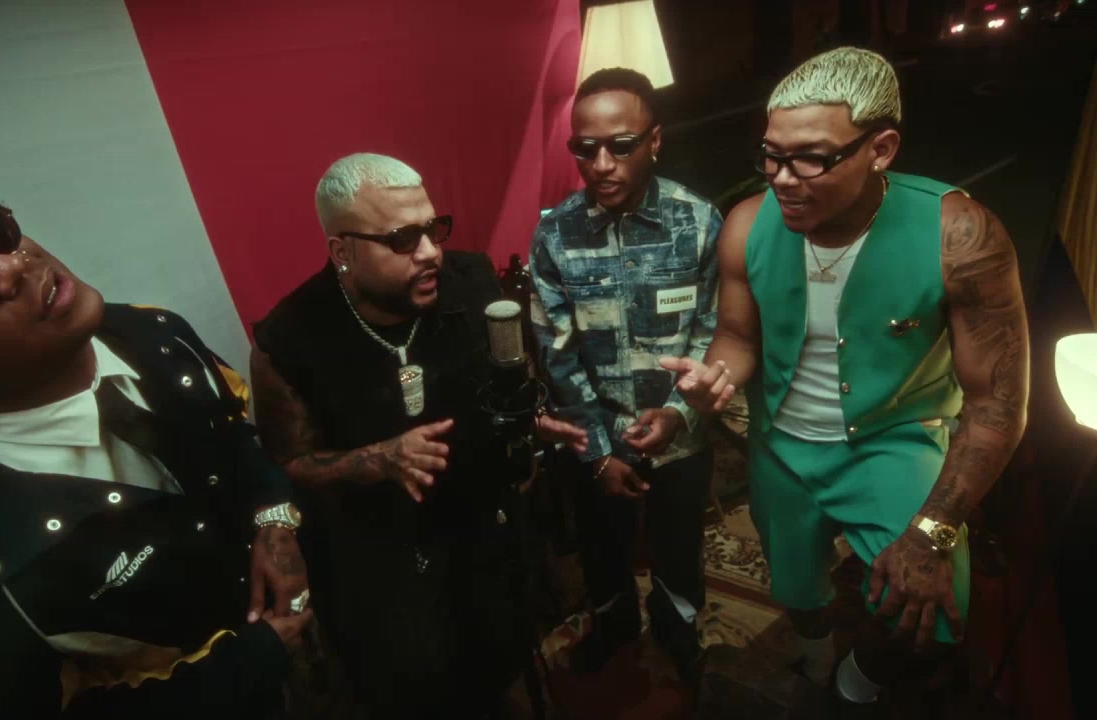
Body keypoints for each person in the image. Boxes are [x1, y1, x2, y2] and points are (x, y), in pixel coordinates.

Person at [0, 159, 311, 720]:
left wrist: (274, 518)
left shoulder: (154, 333)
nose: (13, 265)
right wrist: (253, 659)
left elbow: (233, 439)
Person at [660, 47, 1029, 711]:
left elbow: (997, 403)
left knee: (936, 615)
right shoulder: (746, 223)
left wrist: (932, 533)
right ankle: (815, 657)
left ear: (880, 149)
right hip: (780, 444)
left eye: (812, 158)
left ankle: (855, 687)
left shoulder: (962, 236)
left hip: (893, 439)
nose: (782, 179)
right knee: (797, 589)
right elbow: (738, 338)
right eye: (771, 155)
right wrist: (715, 378)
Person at [250, 152, 588, 718]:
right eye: (402, 239)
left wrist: (529, 418)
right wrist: (378, 459)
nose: (431, 252)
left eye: (433, 229)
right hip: (383, 556)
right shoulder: (289, 338)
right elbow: (288, 461)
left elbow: (504, 375)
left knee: (501, 656)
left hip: (480, 525)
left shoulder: (471, 280)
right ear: (342, 252)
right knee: (420, 687)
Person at [529, 67, 722, 682]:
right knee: (601, 547)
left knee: (679, 543)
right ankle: (614, 627)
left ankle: (675, 626)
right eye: (585, 148)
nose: (601, 164)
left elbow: (715, 332)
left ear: (654, 140)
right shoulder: (555, 233)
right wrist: (597, 451)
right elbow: (557, 351)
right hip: (596, 441)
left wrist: (680, 416)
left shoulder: (699, 222)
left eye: (621, 145)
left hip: (680, 435)